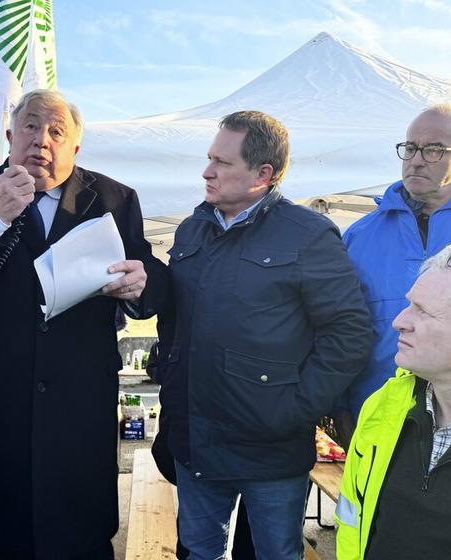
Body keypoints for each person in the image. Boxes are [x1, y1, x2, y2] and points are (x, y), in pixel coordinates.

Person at [0, 90, 168, 559]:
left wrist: (140, 283)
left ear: (75, 148)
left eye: (56, 131)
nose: (41, 140)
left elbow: (151, 284)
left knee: (78, 538)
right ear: (10, 137)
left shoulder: (114, 199)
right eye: (30, 127)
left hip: (77, 411)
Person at [158, 110, 371, 559]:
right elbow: (176, 321)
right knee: (198, 552)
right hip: (196, 440)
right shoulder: (193, 228)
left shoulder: (307, 234)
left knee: (276, 553)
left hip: (270, 449)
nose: (207, 171)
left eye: (222, 162)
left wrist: (295, 407)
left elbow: (348, 332)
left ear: (263, 174)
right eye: (209, 158)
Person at [336, 244, 451, 559]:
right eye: (409, 304)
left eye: (423, 311)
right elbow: (352, 523)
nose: (399, 321)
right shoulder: (384, 406)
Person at [341, 104, 451, 426]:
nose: (416, 160)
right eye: (410, 148)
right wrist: (337, 405)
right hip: (376, 412)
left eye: (434, 150)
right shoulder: (360, 235)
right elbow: (338, 326)